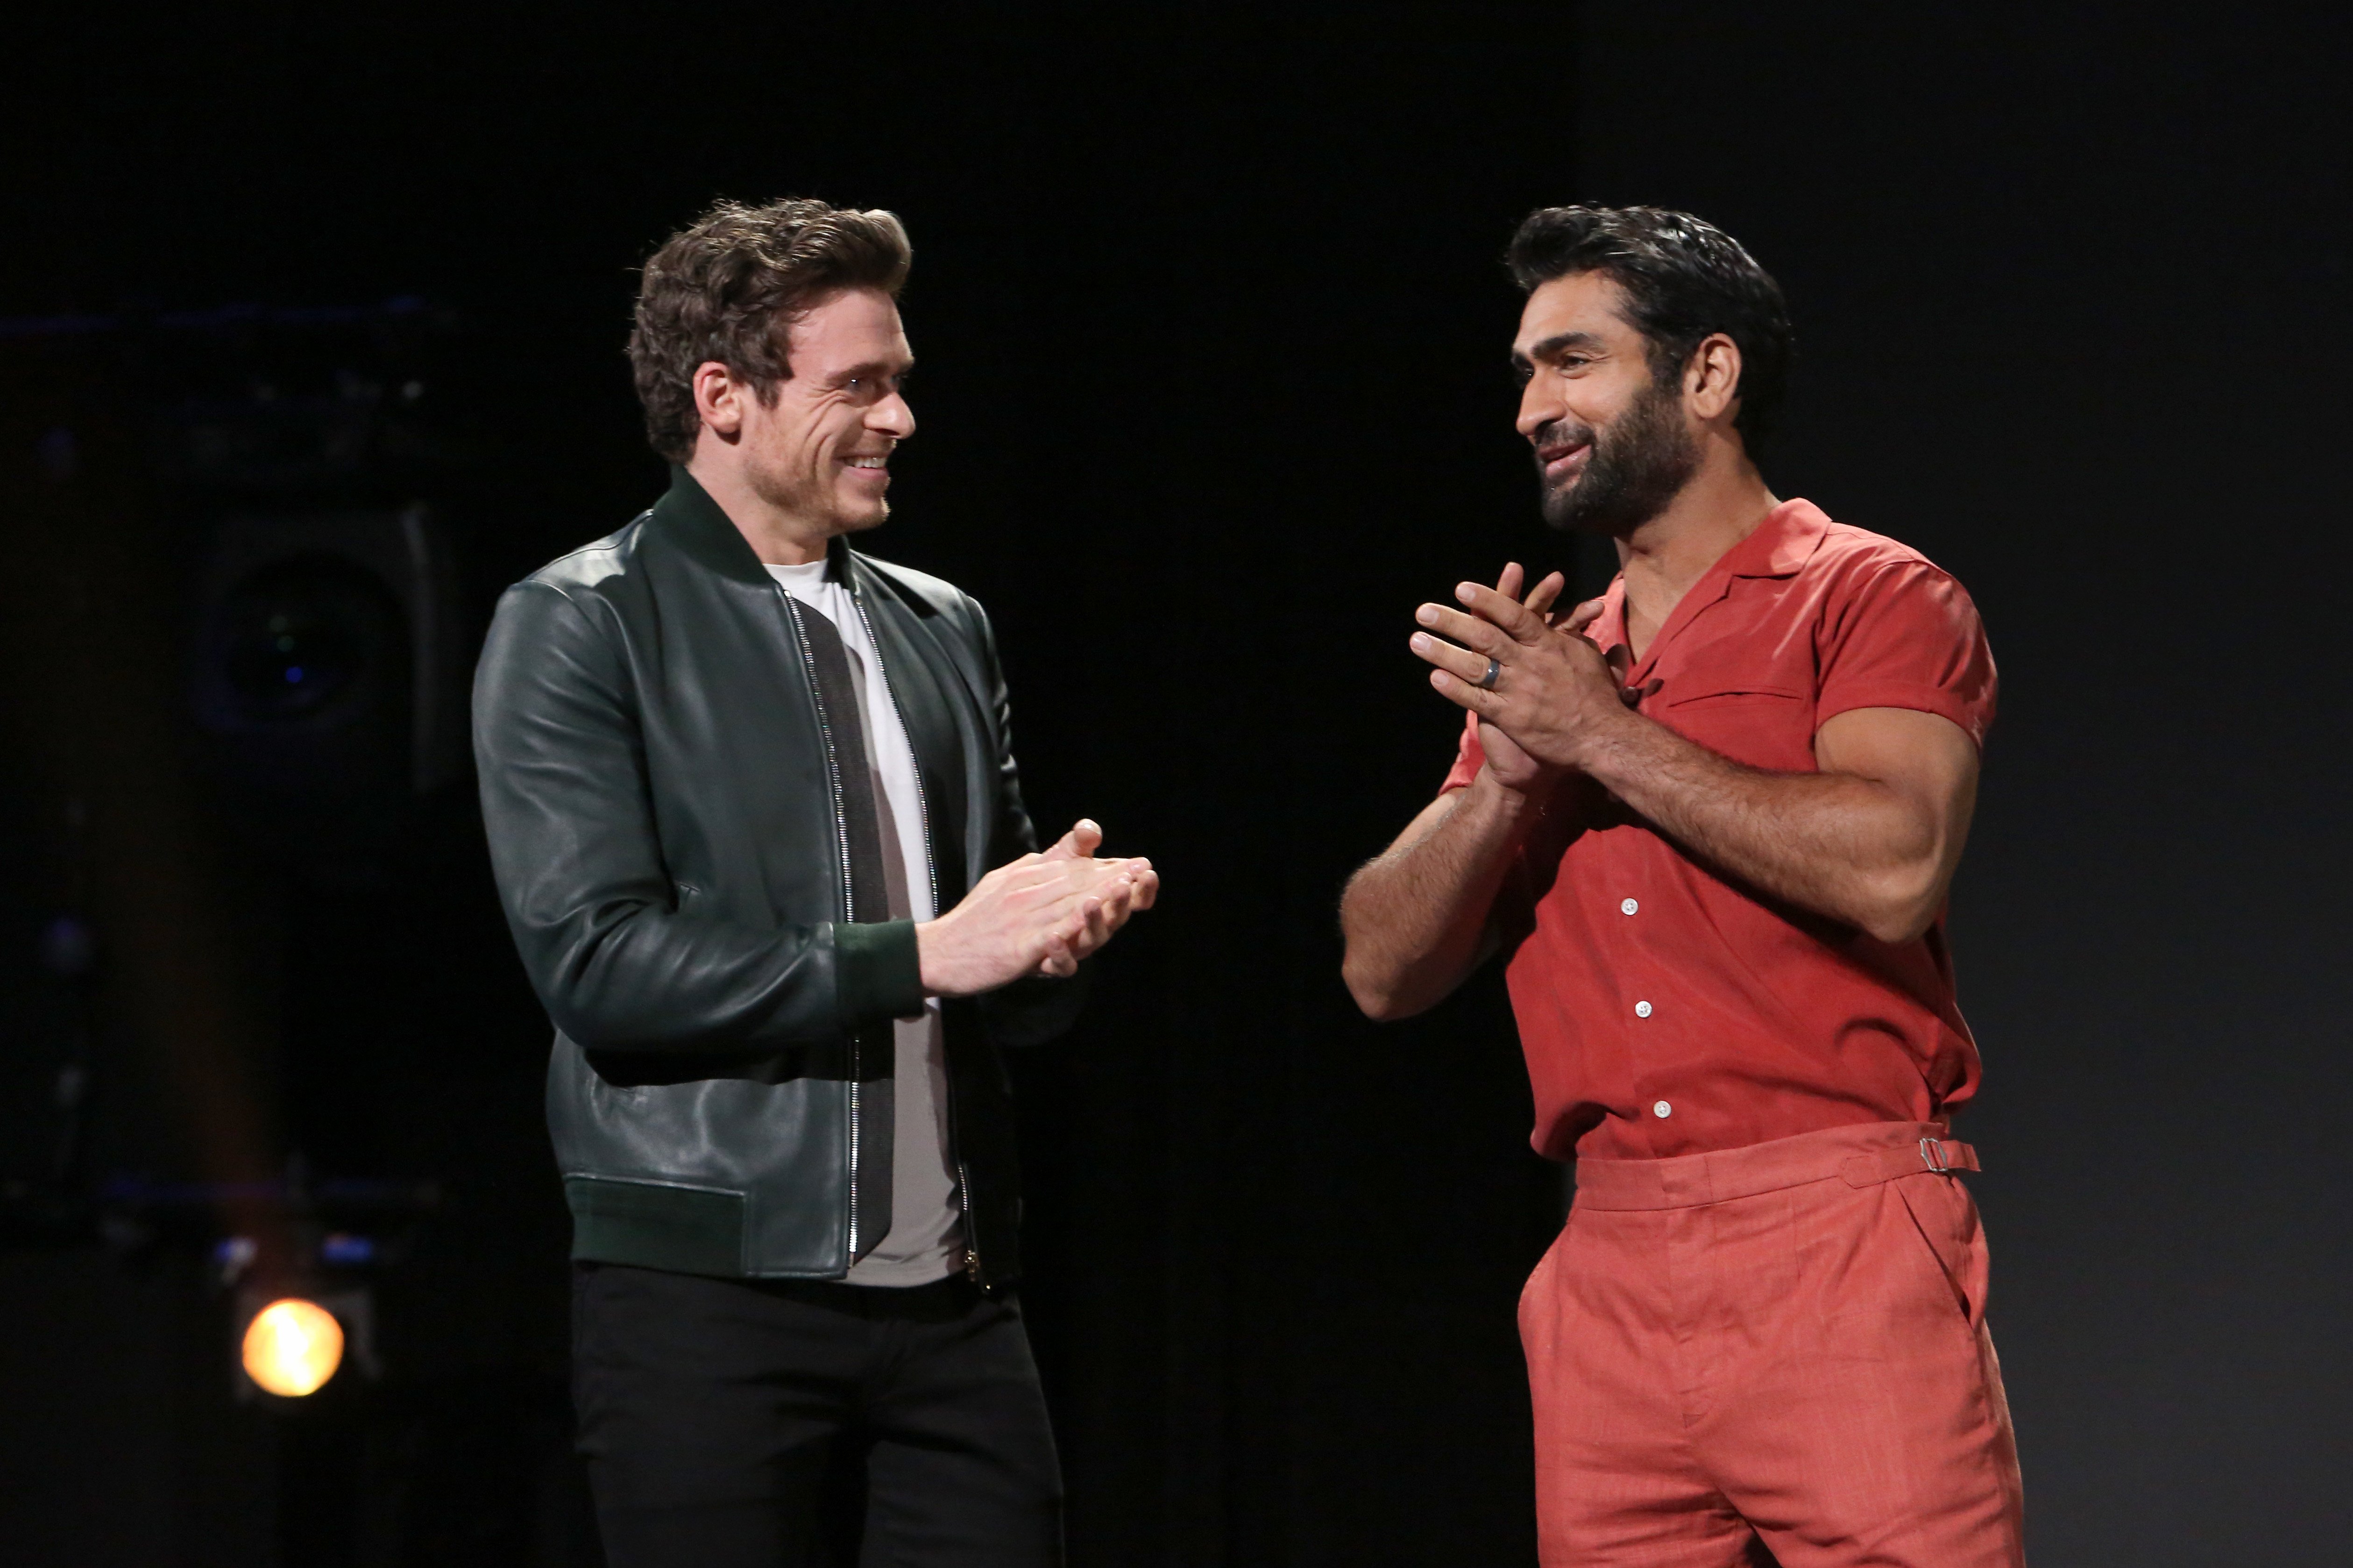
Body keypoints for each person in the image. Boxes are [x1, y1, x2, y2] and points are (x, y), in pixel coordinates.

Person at [473, 197, 1155, 1568]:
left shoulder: (942, 624)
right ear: (723, 396)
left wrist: (1048, 945)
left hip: (955, 1303)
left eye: (901, 383)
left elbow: (988, 952)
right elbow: (598, 969)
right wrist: (923, 954)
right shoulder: (580, 622)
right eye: (860, 385)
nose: (901, 419)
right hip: (704, 1298)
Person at [1339, 206, 2023, 1567]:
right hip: (1610, 1260)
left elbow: (1893, 866)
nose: (1535, 406)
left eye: (1575, 362)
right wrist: (1514, 775)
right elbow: (1381, 971)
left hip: (1840, 1233)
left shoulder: (1870, 595)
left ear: (1706, 377)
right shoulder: (1554, 663)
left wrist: (1602, 736)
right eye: (1527, 372)